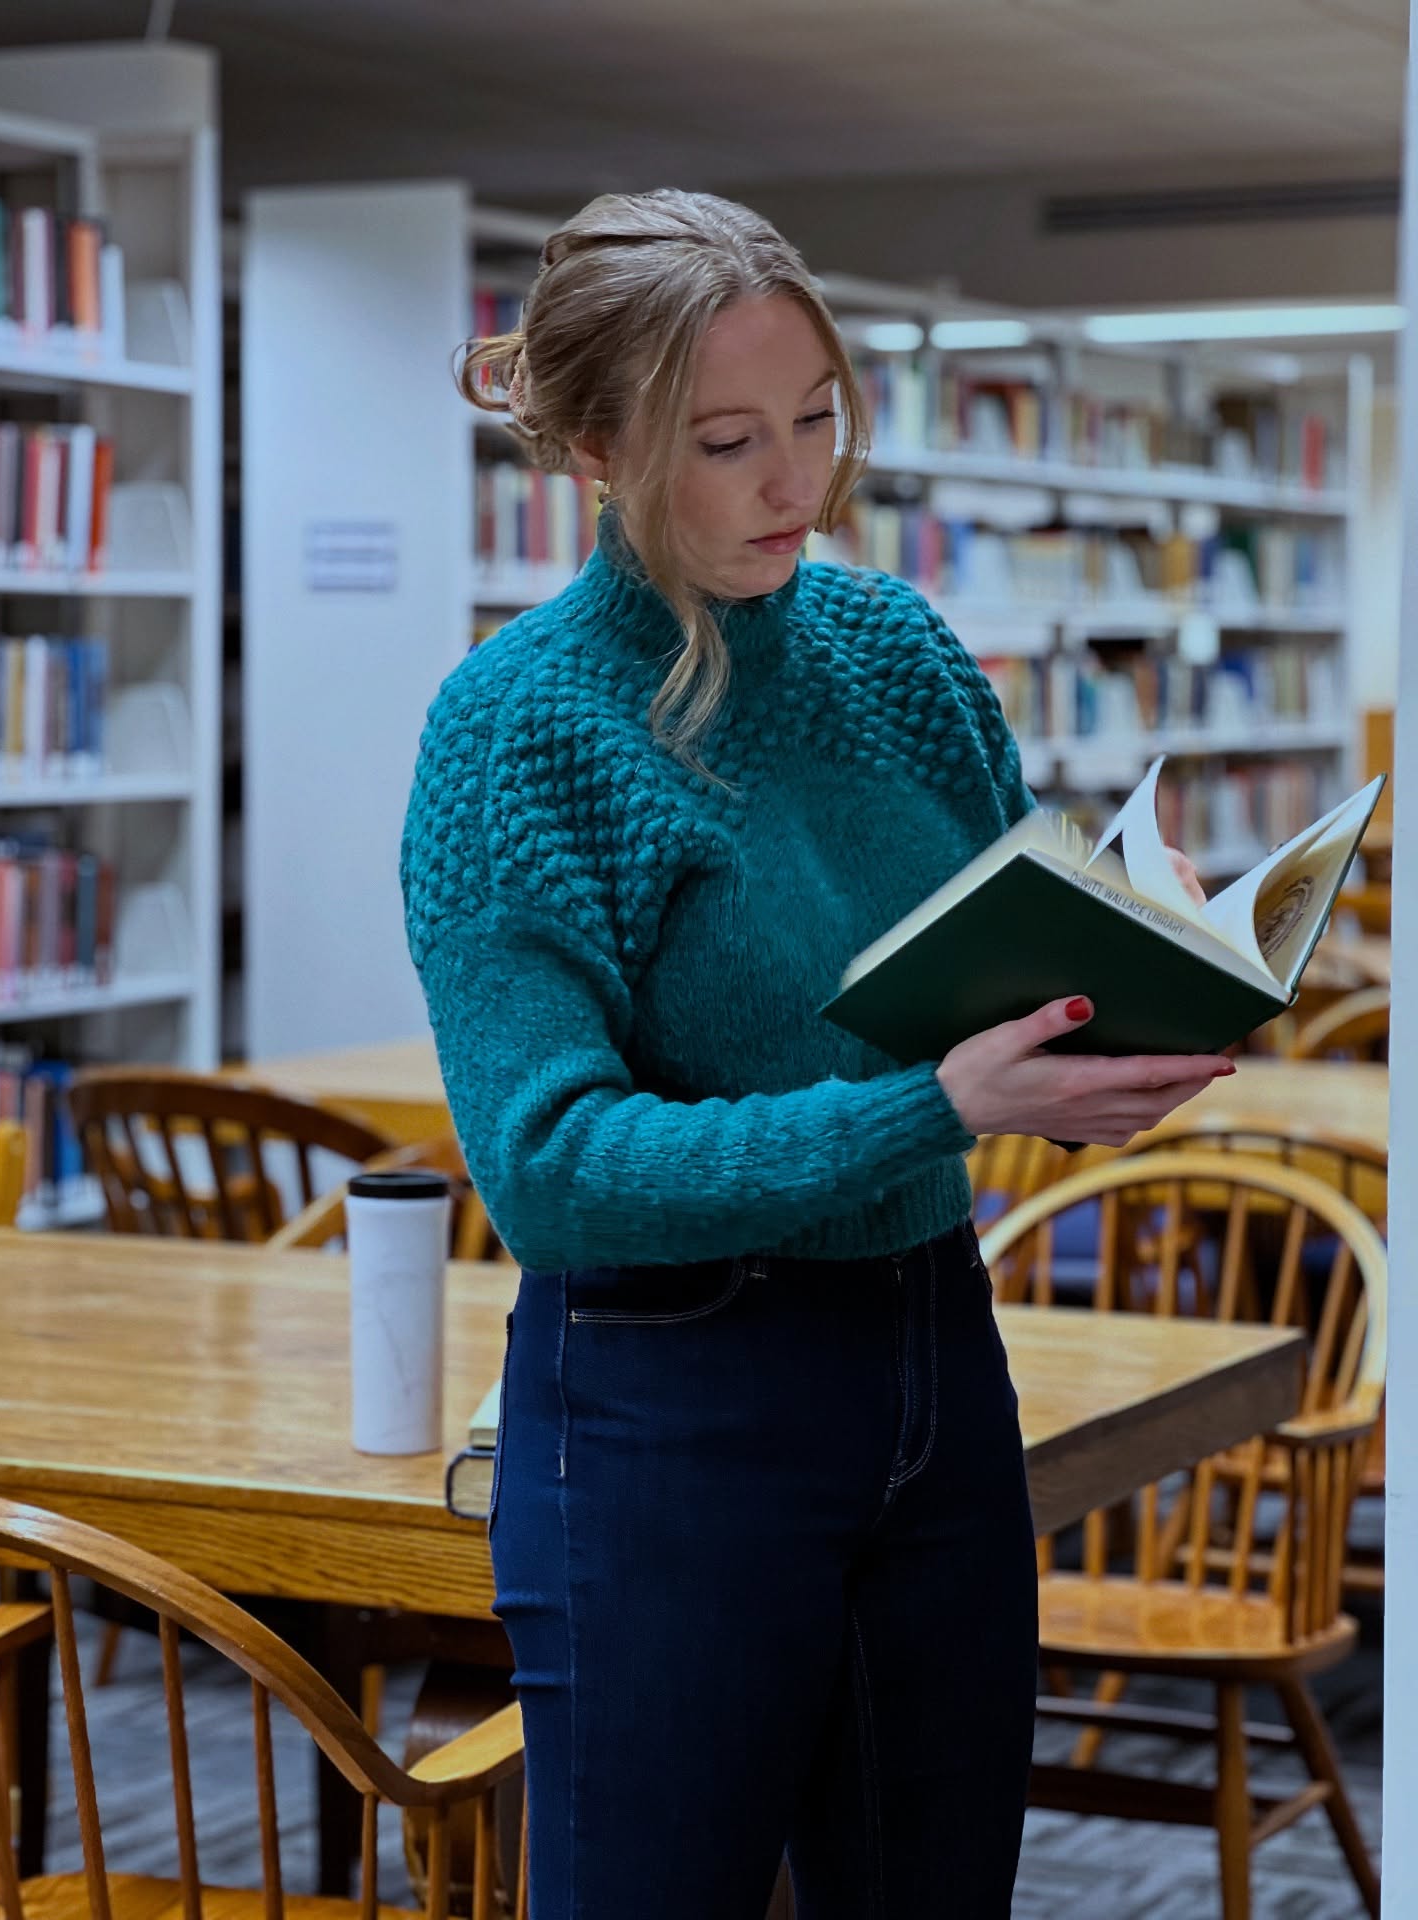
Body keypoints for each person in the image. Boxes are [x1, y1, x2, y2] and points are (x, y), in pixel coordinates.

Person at [400, 188, 1232, 1920]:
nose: (800, 484)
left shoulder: (904, 655)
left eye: (817, 422)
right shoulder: (516, 732)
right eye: (727, 442)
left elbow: (1004, 960)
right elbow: (552, 1167)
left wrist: (1121, 1017)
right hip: (667, 1405)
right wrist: (929, 1109)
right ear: (597, 449)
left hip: (935, 1346)